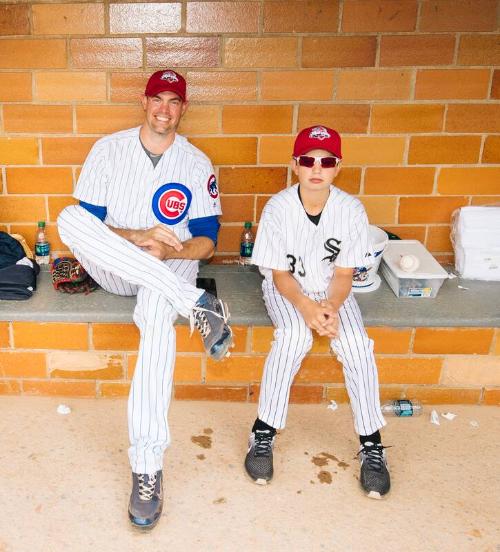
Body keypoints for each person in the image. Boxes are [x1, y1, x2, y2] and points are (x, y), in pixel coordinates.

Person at [57, 69, 233, 529]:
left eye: (175, 101)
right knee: (68, 219)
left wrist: (172, 248)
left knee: (157, 321)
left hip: (170, 263)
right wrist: (136, 239)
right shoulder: (107, 149)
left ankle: (147, 468)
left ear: (183, 109)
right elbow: (88, 227)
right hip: (119, 263)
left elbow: (208, 240)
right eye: (158, 98)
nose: (164, 108)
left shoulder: (197, 162)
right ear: (144, 100)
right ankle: (195, 302)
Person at [244, 125, 390, 499]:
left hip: (333, 293)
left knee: (356, 343)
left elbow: (344, 275)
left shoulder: (351, 209)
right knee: (293, 337)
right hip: (288, 290)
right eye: (308, 159)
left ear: (337, 167)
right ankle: (263, 431)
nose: (316, 168)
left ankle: (371, 443)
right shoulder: (278, 207)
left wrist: (330, 307)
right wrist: (307, 308)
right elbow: (279, 275)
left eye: (326, 161)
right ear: (295, 165)